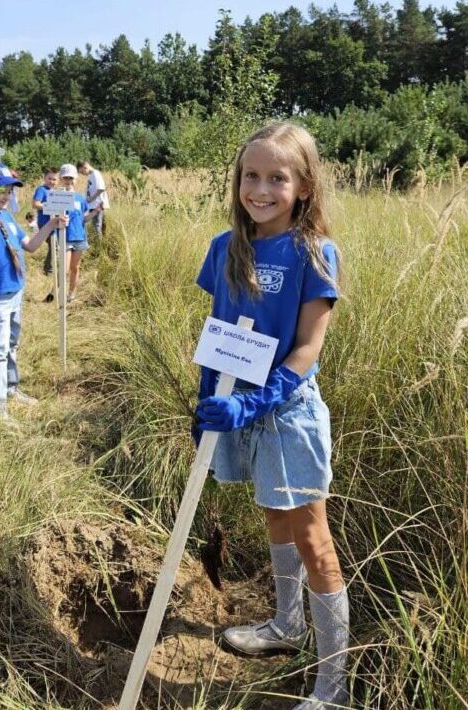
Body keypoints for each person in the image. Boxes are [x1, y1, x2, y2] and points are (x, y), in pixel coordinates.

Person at [193, 122, 348, 710]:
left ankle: (333, 686)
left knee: (313, 538)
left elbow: (307, 349)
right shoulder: (224, 248)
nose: (260, 189)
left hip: (285, 411)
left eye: (276, 178)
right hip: (239, 411)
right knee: (272, 514)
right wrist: (207, 404)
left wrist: (254, 401)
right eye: (250, 176)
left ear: (304, 186)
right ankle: (287, 625)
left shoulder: (315, 253)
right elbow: (220, 332)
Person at [0, 161, 68, 420]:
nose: (6, 195)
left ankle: (11, 389)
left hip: (16, 290)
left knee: (11, 345)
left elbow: (30, 245)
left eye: (9, 191)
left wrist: (51, 225)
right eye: (1, 190)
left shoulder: (7, 216)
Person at [57, 163, 101, 302]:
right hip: (65, 237)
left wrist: (95, 212)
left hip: (79, 237)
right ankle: (57, 292)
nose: (68, 181)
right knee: (64, 269)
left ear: (76, 179)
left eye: (71, 178)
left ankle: (71, 293)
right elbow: (52, 218)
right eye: (65, 178)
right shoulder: (56, 196)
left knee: (75, 267)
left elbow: (83, 219)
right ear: (61, 179)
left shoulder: (81, 199)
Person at [31, 167, 59, 288]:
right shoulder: (41, 190)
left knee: (54, 245)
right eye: (49, 178)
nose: (52, 181)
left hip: (53, 222)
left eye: (54, 179)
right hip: (44, 223)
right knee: (54, 245)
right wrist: (49, 206)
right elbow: (35, 204)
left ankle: (49, 267)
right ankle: (49, 269)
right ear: (44, 178)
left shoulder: (55, 191)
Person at [77, 160, 109, 237]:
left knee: (97, 226)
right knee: (97, 226)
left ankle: (99, 245)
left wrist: (91, 199)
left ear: (85, 167)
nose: (82, 174)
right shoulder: (91, 175)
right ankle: (99, 243)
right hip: (94, 205)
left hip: (97, 205)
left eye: (81, 172)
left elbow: (101, 188)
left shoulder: (95, 174)